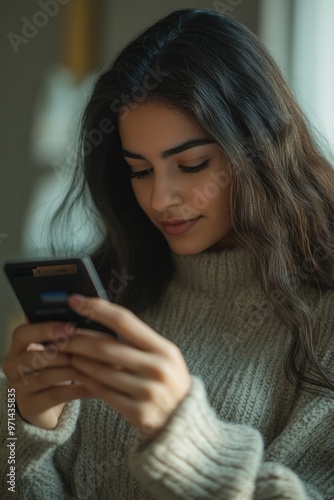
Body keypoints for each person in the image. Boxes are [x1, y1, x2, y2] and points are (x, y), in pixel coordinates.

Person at [1, 7, 334, 499]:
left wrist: (183, 438)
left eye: (193, 164)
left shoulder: (323, 316)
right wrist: (17, 430)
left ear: (261, 148)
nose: (159, 200)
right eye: (139, 170)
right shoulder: (111, 291)